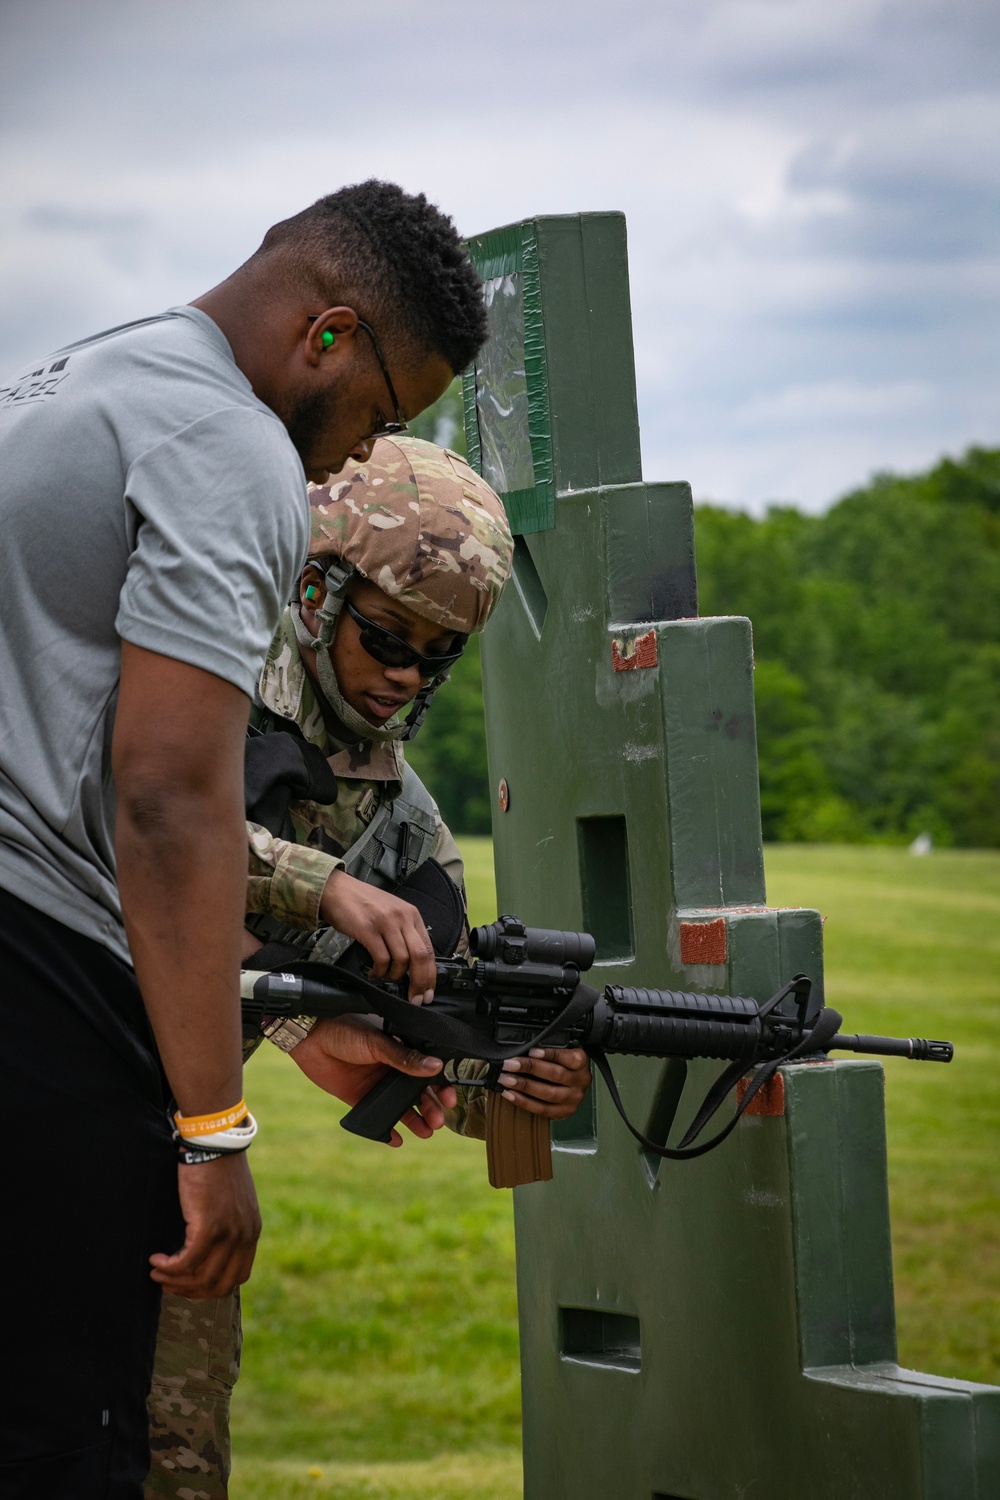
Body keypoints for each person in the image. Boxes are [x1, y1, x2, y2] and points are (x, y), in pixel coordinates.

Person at [0, 179, 495, 1498]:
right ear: (326, 334)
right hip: (44, 992)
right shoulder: (232, 447)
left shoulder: (70, 380)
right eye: (381, 413)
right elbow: (168, 798)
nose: (349, 461)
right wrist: (214, 1131)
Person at [144, 436, 592, 1499]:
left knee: (172, 1463)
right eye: (388, 637)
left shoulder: (396, 820)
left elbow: (431, 1021)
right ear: (315, 588)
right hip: (64, 1096)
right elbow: (138, 822)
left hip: (184, 1163)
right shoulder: (195, 670)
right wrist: (321, 893)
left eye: (436, 658)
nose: (403, 676)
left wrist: (518, 1078)